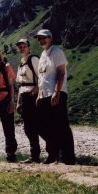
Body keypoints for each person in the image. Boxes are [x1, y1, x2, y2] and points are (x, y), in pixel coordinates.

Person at [34, 29, 76, 165]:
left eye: (44, 38)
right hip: (44, 95)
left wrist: (56, 92)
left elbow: (61, 73)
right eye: (39, 38)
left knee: (61, 125)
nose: (42, 40)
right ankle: (53, 154)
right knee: (42, 125)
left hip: (57, 93)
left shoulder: (57, 52)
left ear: (50, 38)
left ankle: (67, 157)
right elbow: (42, 77)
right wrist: (39, 95)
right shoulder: (42, 55)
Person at [15, 38, 41, 163]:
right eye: (20, 46)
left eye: (24, 45)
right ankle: (34, 156)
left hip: (33, 96)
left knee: (38, 126)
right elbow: (21, 85)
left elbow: (42, 77)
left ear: (29, 47)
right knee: (28, 128)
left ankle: (54, 153)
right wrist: (18, 102)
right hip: (24, 97)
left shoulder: (33, 59)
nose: (21, 48)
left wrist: (36, 90)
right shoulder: (21, 63)